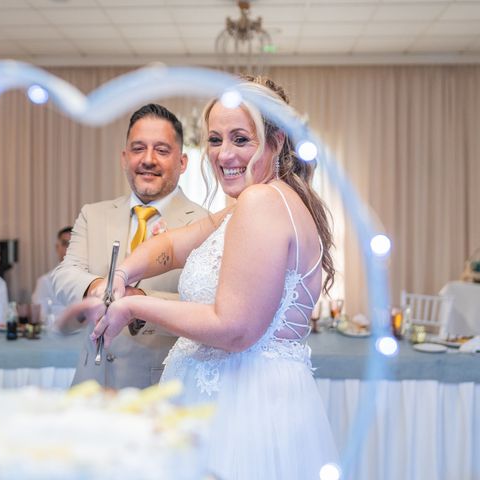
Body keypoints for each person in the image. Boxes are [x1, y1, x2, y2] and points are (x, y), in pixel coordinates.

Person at [64, 77, 338, 478]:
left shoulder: (262, 202)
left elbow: (233, 329)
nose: (224, 154)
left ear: (276, 141)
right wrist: (123, 272)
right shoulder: (258, 202)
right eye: (214, 139)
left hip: (242, 412)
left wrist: (133, 304)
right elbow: (175, 245)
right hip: (237, 400)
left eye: (241, 139)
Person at [51, 103, 208, 389]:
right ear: (124, 158)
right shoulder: (93, 214)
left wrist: (139, 300)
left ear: (182, 162)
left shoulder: (204, 224)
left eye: (161, 150)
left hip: (161, 389)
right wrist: (98, 286)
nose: (148, 159)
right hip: (92, 386)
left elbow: (208, 309)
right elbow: (64, 276)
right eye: (138, 149)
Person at [31, 226, 72, 316]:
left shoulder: (92, 281)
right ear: (57, 247)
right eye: (66, 244)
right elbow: (40, 318)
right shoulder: (45, 282)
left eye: (75, 244)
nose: (70, 249)